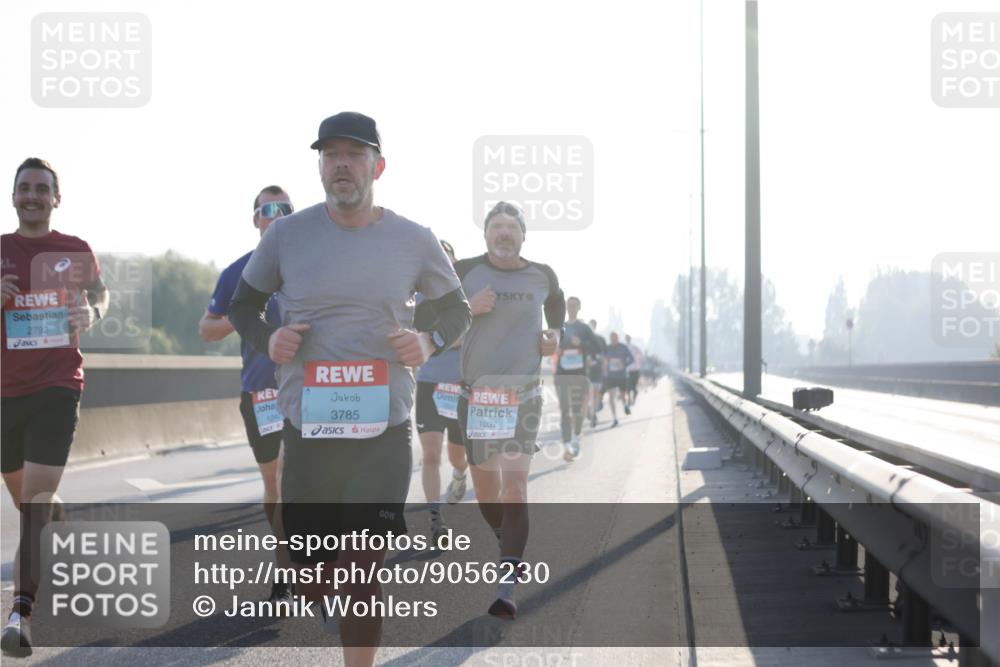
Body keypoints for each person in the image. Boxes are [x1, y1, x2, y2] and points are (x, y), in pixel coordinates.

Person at [227, 112, 470, 667]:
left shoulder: (414, 239)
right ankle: (319, 592)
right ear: (319, 168)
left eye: (354, 154)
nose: (341, 164)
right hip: (309, 426)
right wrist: (270, 338)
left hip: (382, 428)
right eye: (330, 154)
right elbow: (242, 305)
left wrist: (428, 340)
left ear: (377, 166)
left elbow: (457, 310)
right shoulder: (288, 236)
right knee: (312, 572)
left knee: (362, 568)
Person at [2, 158, 109, 658]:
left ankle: (19, 614)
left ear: (56, 198)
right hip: (4, 394)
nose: (32, 196)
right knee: (29, 501)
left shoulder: (75, 250)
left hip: (58, 386)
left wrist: (94, 310)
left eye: (42, 189)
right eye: (24, 188)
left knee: (35, 505)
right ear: (13, 195)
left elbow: (101, 296)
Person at [454, 201, 564, 619]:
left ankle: (507, 587)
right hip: (478, 397)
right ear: (485, 235)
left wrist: (554, 333)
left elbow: (554, 305)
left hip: (524, 394)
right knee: (487, 493)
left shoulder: (542, 274)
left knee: (516, 487)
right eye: (496, 226)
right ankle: (504, 534)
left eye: (511, 227)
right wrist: (468, 307)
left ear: (523, 235)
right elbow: (430, 314)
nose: (503, 233)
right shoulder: (463, 272)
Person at [198, 185, 294, 605]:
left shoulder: (311, 266)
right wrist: (242, 315)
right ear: (255, 220)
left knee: (298, 480)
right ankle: (286, 560)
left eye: (284, 208)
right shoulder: (238, 272)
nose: (275, 214)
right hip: (260, 393)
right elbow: (207, 328)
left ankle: (296, 566)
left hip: (311, 388)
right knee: (274, 483)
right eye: (266, 209)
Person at [413, 239, 469, 546]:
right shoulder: (418, 297)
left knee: (457, 455)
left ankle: (460, 475)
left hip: (460, 386)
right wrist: (446, 337)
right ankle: (435, 519)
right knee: (431, 454)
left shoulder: (465, 299)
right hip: (429, 385)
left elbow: (469, 337)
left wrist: (438, 339)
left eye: (446, 260)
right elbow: (419, 338)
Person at [554, 296, 598, 461]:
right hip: (562, 374)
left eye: (574, 305)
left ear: (579, 308)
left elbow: (597, 347)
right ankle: (567, 446)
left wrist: (582, 343)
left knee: (577, 409)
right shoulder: (560, 327)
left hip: (579, 375)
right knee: (565, 410)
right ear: (566, 307)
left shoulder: (584, 328)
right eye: (569, 305)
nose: (571, 308)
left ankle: (576, 437)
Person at [603, 332, 634, 428]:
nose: (613, 339)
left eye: (615, 337)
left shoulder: (623, 347)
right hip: (611, 376)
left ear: (618, 338)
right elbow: (603, 360)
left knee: (623, 395)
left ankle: (625, 405)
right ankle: (615, 418)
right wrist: (605, 368)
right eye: (611, 337)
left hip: (621, 375)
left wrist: (624, 365)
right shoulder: (607, 348)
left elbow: (631, 359)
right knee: (611, 396)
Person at [585, 319, 607, 428]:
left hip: (597, 371)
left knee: (595, 394)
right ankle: (591, 411)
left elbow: (604, 356)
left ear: (595, 327)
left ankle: (593, 414)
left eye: (592, 327)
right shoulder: (582, 340)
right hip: (584, 372)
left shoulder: (600, 340)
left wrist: (603, 369)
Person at [624, 334, 644, 406]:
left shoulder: (635, 347)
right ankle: (629, 399)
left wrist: (639, 362)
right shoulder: (624, 347)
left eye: (628, 338)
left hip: (635, 369)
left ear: (630, 339)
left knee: (634, 386)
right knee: (628, 386)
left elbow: (641, 355)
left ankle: (634, 397)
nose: (627, 339)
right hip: (627, 370)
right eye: (626, 338)